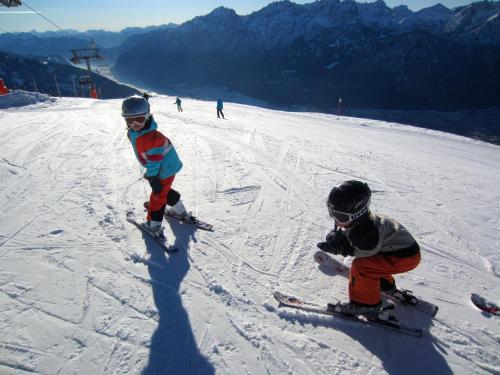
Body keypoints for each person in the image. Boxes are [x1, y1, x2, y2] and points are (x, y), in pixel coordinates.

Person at [317, 180, 421, 318]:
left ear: (356, 214)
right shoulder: (363, 222)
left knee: (362, 267)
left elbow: (366, 251)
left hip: (403, 257)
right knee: (374, 263)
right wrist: (341, 240)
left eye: (340, 216)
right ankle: (384, 285)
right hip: (399, 251)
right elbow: (363, 241)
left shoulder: (366, 233)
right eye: (332, 213)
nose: (335, 220)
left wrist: (344, 248)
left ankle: (365, 306)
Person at [122, 95, 189, 239]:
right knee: (164, 190)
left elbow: (154, 161)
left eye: (139, 119)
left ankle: (154, 225)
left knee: (158, 196)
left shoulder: (151, 138)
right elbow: (134, 135)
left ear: (147, 116)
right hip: (166, 167)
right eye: (129, 120)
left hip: (163, 169)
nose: (134, 124)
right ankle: (180, 211)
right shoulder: (138, 132)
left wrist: (153, 178)